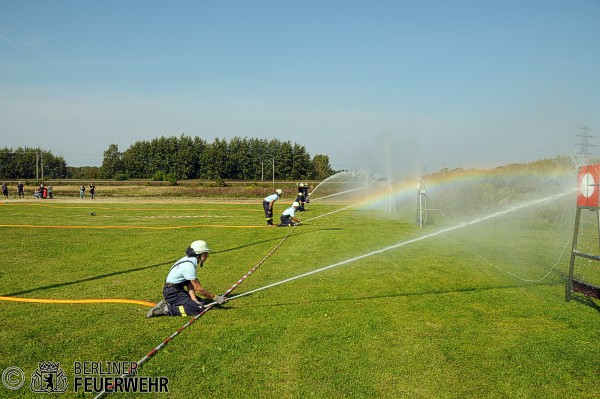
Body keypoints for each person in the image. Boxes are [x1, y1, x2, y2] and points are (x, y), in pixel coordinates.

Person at [146, 240, 227, 318]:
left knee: (201, 303)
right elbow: (199, 289)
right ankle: (167, 309)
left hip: (176, 290)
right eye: (205, 253)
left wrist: (194, 299)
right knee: (196, 309)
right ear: (198, 254)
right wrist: (216, 297)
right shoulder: (189, 266)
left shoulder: (188, 260)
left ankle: (178, 304)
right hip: (172, 293)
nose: (207, 255)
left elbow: (189, 283)